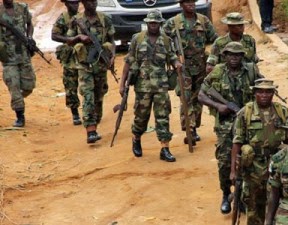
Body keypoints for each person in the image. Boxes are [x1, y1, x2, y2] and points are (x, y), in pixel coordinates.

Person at [198, 42, 262, 214]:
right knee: (226, 163)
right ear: (224, 55)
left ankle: (244, 196)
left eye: (238, 54)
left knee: (250, 158)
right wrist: (218, 106)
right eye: (230, 54)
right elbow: (201, 95)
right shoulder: (217, 72)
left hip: (248, 122)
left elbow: (263, 89)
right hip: (226, 124)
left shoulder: (251, 71)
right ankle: (226, 194)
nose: (234, 58)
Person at [120, 10, 182, 162]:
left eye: (156, 23)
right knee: (141, 117)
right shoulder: (138, 39)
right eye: (151, 23)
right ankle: (136, 139)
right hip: (143, 87)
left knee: (163, 117)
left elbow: (172, 57)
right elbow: (129, 61)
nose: (153, 26)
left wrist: (177, 64)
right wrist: (122, 84)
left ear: (160, 24)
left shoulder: (166, 40)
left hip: (161, 86)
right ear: (147, 23)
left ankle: (165, 148)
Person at [230, 79, 288, 225]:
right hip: (253, 167)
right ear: (255, 93)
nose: (264, 95)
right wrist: (233, 170)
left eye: (268, 92)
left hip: (276, 165)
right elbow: (237, 143)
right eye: (260, 91)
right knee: (254, 205)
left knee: (278, 202)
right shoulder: (246, 113)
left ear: (273, 93)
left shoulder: (282, 111)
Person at [163, 0, 218, 145]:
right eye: (187, 2)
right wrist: (174, 60)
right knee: (186, 98)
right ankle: (190, 129)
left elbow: (216, 41)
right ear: (181, 5)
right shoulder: (172, 23)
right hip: (183, 66)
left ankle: (195, 126)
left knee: (198, 98)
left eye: (193, 2)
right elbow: (164, 44)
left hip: (201, 65)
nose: (191, 5)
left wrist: (211, 60)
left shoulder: (203, 20)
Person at [66, 0, 115, 144]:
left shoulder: (105, 19)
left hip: (100, 65)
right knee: (87, 95)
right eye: (89, 1)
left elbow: (112, 40)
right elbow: (68, 40)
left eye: (94, 1)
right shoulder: (77, 20)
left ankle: (95, 121)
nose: (92, 4)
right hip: (84, 65)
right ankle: (91, 130)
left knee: (99, 96)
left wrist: (111, 57)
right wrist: (78, 37)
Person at [0, 0, 36, 127]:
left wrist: (30, 37)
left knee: (29, 86)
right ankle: (20, 115)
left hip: (24, 54)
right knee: (14, 85)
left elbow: (29, 24)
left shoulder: (22, 8)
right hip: (8, 57)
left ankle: (17, 99)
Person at [52, 0, 82, 126]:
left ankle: (92, 111)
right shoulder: (63, 18)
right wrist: (69, 39)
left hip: (84, 56)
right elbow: (54, 35)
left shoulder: (83, 17)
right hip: (69, 57)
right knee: (70, 85)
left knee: (91, 85)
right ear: (66, 4)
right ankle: (75, 113)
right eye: (72, 3)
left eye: (76, 3)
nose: (75, 5)